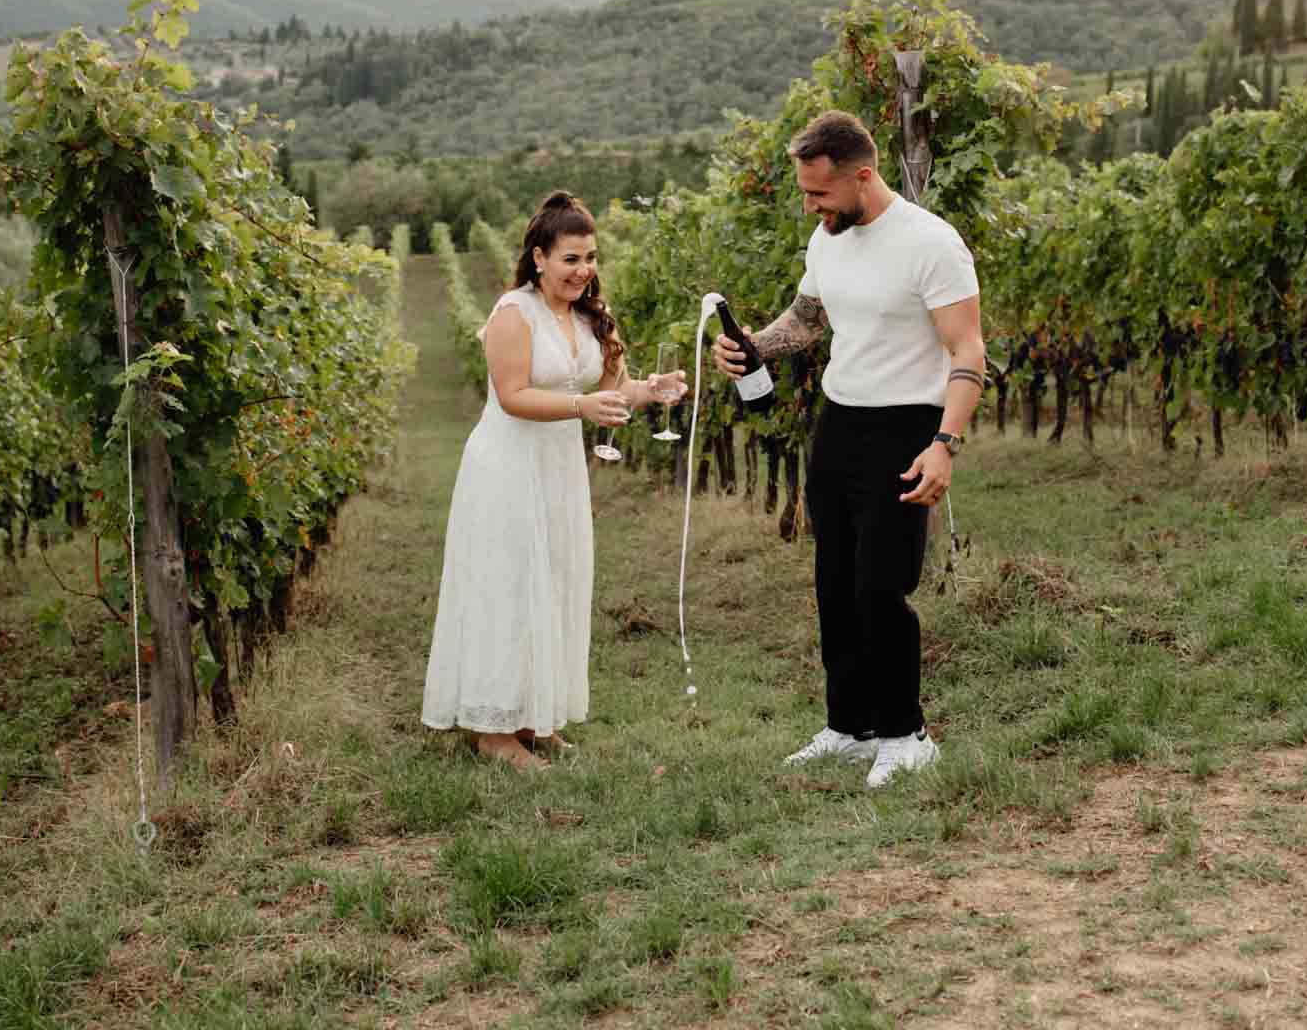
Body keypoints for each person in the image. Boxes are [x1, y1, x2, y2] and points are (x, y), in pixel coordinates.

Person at [715, 111, 985, 788]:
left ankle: (906, 732)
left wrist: (944, 444)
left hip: (907, 424)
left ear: (863, 176)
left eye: (820, 193)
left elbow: (967, 348)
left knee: (881, 584)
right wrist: (754, 345)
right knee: (834, 581)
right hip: (840, 421)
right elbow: (807, 320)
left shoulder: (931, 244)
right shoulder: (828, 235)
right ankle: (849, 726)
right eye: (806, 193)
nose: (811, 205)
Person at [422, 192, 685, 770]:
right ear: (539, 258)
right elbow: (514, 397)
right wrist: (583, 407)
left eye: (590, 257)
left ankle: (532, 719)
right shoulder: (513, 313)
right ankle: (492, 732)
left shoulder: (588, 316)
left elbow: (612, 392)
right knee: (507, 586)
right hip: (506, 467)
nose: (583, 270)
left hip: (559, 469)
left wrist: (651, 388)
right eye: (570, 258)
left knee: (555, 581)